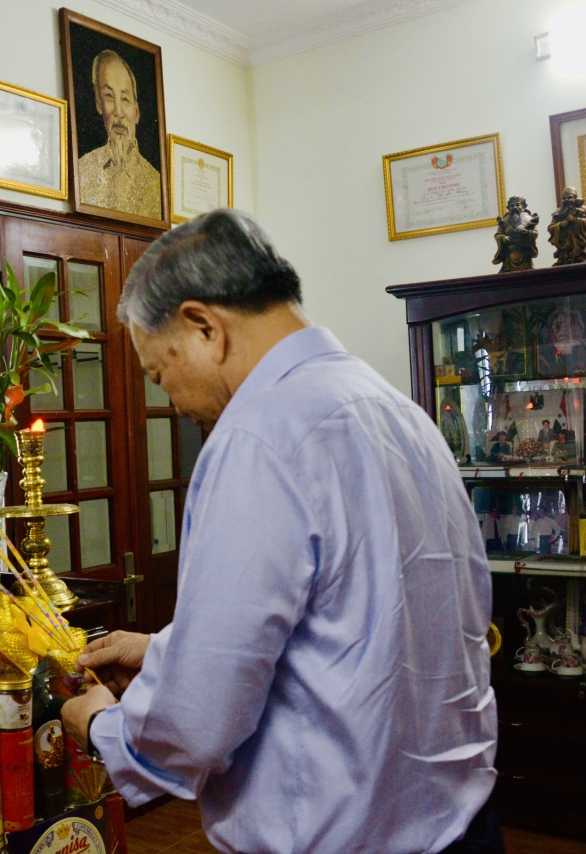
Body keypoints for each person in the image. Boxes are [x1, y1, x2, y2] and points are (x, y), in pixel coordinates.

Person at [61, 209, 499, 853]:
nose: (172, 402)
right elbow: (364, 621)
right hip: (458, 820)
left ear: (204, 326)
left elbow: (199, 725)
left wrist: (102, 725)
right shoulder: (395, 408)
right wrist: (164, 649)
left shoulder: (259, 434)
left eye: (160, 373)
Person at [76, 49, 161, 220]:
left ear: (136, 112)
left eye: (125, 99)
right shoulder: (82, 170)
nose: (118, 111)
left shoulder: (156, 183)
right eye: (108, 96)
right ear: (99, 104)